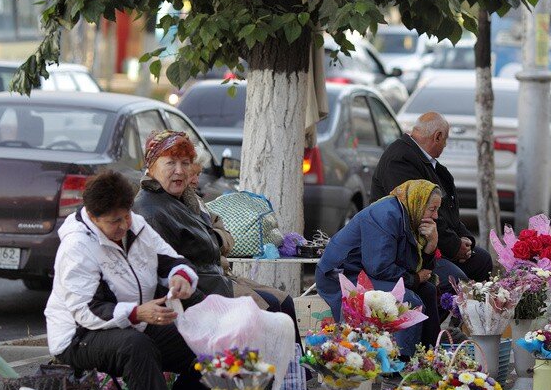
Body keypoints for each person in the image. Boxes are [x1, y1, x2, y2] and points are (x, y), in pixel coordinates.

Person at [44, 170, 212, 390]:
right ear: (94, 218)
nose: (123, 226)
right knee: (136, 346)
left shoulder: (138, 225)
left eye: (126, 217)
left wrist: (181, 278)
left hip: (135, 320)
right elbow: (86, 310)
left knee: (201, 338)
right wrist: (137, 312)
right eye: (114, 222)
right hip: (78, 335)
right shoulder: (77, 248)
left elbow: (172, 260)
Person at [132, 131, 297, 327]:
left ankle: (294, 359)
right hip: (201, 292)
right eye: (170, 163)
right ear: (151, 167)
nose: (180, 171)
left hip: (217, 278)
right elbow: (165, 276)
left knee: (285, 301)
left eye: (185, 163)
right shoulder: (151, 210)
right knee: (271, 309)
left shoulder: (186, 199)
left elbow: (222, 234)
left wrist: (216, 240)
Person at [316, 179, 442, 355]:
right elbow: (379, 267)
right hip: (342, 275)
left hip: (369, 271)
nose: (435, 216)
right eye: (432, 209)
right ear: (418, 202)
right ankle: (401, 364)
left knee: (427, 290)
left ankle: (430, 355)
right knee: (409, 300)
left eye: (437, 210)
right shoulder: (386, 215)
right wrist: (413, 279)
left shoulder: (409, 216)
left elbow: (415, 267)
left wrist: (431, 244)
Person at [370, 111, 493, 290]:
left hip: (435, 242)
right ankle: (433, 317)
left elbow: (447, 212)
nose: (445, 145)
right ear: (438, 136)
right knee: (452, 281)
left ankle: (467, 315)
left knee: (481, 261)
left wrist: (464, 239)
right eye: (445, 140)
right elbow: (420, 216)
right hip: (407, 249)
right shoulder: (400, 159)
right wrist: (454, 246)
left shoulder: (427, 162)